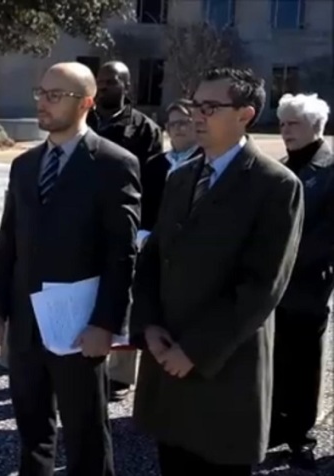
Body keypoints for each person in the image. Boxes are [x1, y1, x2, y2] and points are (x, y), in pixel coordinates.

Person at [130, 67, 304, 476]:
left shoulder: (275, 186)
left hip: (223, 368)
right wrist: (149, 324)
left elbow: (262, 287)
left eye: (210, 107)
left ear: (245, 114)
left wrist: (193, 351)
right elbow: (153, 257)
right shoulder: (182, 176)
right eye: (194, 105)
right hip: (166, 361)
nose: (196, 116)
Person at [0, 61, 140, 476]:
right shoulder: (25, 165)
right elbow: (8, 241)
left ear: (86, 102)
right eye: (41, 93)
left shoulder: (113, 164)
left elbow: (121, 253)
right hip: (26, 322)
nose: (43, 103)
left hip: (79, 327)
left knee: (85, 433)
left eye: (55, 95)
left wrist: (105, 323)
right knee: (33, 431)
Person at [87, 60, 163, 401]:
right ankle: (78, 355)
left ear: (127, 86)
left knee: (123, 295)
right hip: (82, 222)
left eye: (111, 81)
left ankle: (118, 375)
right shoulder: (82, 120)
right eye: (100, 81)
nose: (103, 86)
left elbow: (152, 183)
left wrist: (142, 230)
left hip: (123, 223)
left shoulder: (145, 130)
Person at [269, 92, 334, 470]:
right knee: (275, 359)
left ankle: (300, 436)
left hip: (308, 284)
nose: (284, 130)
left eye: (292, 123)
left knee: (305, 363)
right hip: (272, 287)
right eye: (281, 123)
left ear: (315, 127)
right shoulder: (279, 168)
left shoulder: (329, 171)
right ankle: (275, 427)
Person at [140, 100, 201, 232]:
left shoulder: (206, 162)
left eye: (184, 123)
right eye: (173, 124)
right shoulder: (154, 164)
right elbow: (144, 205)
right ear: (167, 128)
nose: (178, 128)